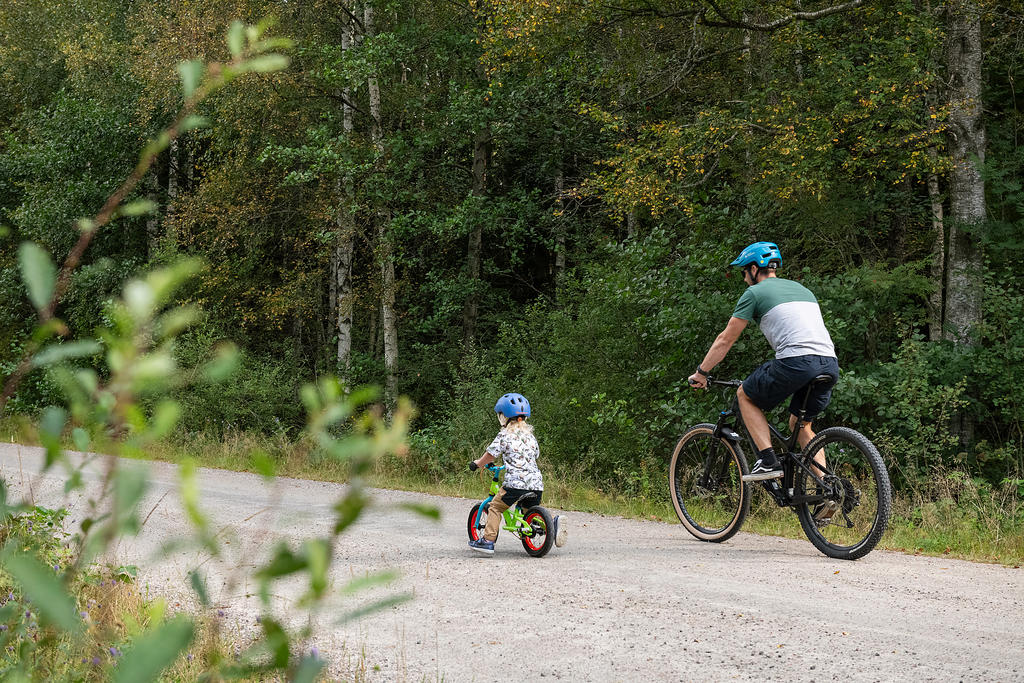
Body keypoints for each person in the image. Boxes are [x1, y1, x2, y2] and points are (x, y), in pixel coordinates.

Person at [687, 242, 839, 491]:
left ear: (755, 268)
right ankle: (827, 488)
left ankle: (768, 461)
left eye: (744, 272)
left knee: (745, 395)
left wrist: (702, 373)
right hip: (829, 363)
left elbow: (726, 339)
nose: (744, 278)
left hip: (796, 361)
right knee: (800, 425)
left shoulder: (755, 293)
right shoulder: (802, 289)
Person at [467, 392, 565, 555]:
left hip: (515, 485)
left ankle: (487, 541)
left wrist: (478, 463)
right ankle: (551, 525)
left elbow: (491, 454)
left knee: (495, 506)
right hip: (536, 485)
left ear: (503, 417)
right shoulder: (530, 437)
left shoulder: (504, 435)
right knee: (528, 510)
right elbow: (535, 455)